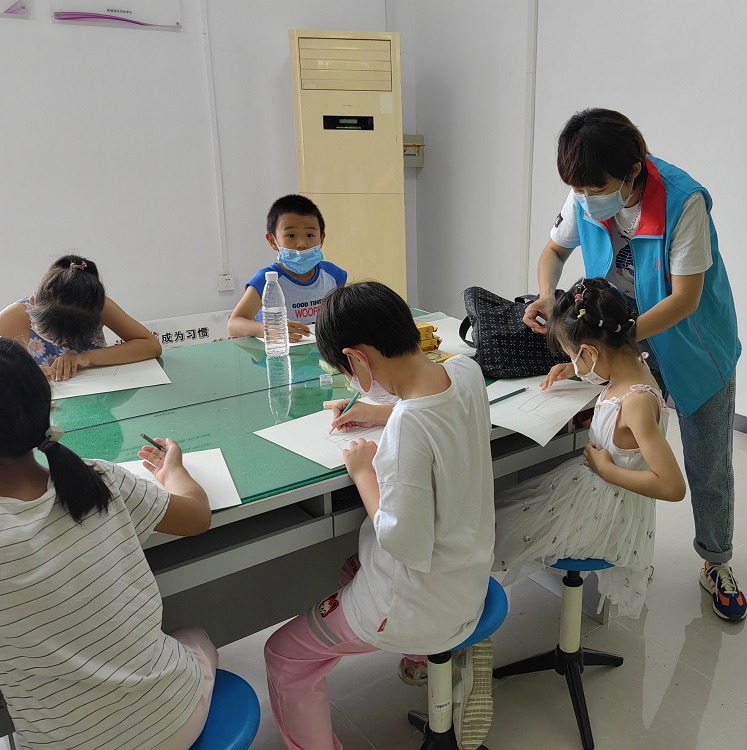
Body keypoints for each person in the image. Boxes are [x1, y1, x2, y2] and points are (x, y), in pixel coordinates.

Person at [522, 108, 747, 621]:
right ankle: (621, 545)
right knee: (625, 446)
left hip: (693, 343)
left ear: (633, 171)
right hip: (623, 338)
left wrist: (610, 344)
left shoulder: (683, 202)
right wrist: (548, 296)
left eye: (596, 188)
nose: (585, 198)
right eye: (577, 189)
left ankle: (716, 562)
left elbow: (685, 299)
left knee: (707, 462)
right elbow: (553, 252)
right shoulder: (586, 191)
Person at [264, 282, 496, 750]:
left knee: (282, 656)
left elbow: (402, 542)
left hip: (418, 600)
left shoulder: (409, 426)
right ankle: (428, 655)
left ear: (356, 359)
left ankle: (424, 642)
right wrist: (380, 412)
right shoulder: (466, 371)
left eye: (345, 371)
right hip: (468, 575)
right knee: (352, 566)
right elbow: (436, 415)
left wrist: (364, 473)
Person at [0, 338, 216, 750]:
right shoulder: (99, 478)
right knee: (196, 638)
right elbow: (197, 516)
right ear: (48, 407)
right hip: (176, 721)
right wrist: (173, 470)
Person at [495, 278, 686, 617]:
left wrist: (606, 469)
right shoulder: (633, 365)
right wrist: (576, 371)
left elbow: (673, 486)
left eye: (574, 356)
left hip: (606, 511)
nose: (576, 366)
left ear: (592, 352)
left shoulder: (636, 403)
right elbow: (624, 432)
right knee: (506, 508)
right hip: (594, 489)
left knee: (497, 527)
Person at [0, 255, 162, 382]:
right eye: (51, 335)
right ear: (33, 303)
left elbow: (150, 346)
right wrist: (26, 374)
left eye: (70, 340)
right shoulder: (14, 317)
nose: (61, 344)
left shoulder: (94, 306)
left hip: (98, 392)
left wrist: (86, 357)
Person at [227, 194, 347, 341]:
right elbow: (233, 324)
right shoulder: (266, 280)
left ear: (321, 239)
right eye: (291, 235)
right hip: (278, 352)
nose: (302, 244)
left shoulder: (333, 274)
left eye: (310, 235)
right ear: (272, 241)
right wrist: (273, 330)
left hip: (319, 351)